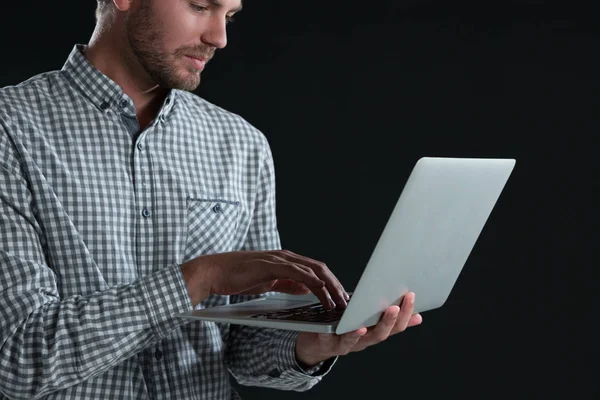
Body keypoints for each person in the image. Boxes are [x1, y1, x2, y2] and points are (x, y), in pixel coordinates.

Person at [0, 0, 423, 398]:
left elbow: (240, 346)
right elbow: (16, 359)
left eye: (230, 15)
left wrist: (312, 345)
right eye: (200, 6)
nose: (219, 37)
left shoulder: (241, 145)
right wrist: (200, 278)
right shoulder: (11, 128)